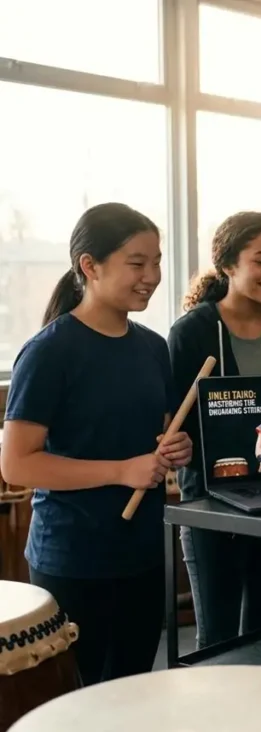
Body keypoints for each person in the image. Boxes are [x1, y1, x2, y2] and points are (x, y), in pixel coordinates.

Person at [0, 203, 192, 686]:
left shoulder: (152, 347)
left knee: (132, 692)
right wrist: (121, 470)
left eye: (157, 261)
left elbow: (158, 436)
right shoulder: (50, 352)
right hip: (75, 558)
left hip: (144, 553)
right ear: (89, 265)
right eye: (137, 263)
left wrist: (175, 448)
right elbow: (17, 464)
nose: (151, 276)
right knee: (80, 706)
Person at [167, 211, 261, 650]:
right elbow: (173, 419)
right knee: (216, 637)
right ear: (229, 265)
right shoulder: (191, 333)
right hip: (210, 506)